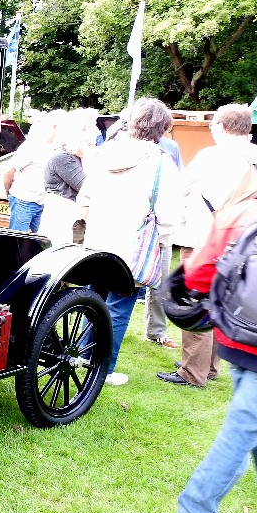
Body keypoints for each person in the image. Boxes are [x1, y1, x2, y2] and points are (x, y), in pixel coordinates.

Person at [172, 185, 257, 513]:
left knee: (251, 417)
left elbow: (197, 274)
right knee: (241, 430)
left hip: (234, 335)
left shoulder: (246, 211)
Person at [157, 103, 257, 387]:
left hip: (206, 238)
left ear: (221, 127)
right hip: (244, 243)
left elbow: (179, 186)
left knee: (194, 300)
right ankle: (209, 365)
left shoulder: (212, 155)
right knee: (225, 301)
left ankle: (192, 371)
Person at [76, 97, 183, 386]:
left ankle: (82, 356)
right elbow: (169, 211)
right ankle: (104, 368)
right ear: (162, 128)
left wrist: (87, 226)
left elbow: (84, 198)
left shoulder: (104, 153)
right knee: (119, 308)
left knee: (93, 300)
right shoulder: (161, 162)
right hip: (132, 246)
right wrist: (165, 240)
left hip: (98, 240)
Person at [143, 124, 185, 349]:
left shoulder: (170, 149)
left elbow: (177, 185)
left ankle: (156, 331)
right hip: (140, 226)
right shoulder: (120, 146)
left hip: (159, 227)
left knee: (160, 282)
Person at [37, 108, 92, 245]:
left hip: (70, 219)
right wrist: (86, 155)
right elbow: (88, 188)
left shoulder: (76, 156)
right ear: (81, 131)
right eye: (93, 126)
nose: (97, 130)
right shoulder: (63, 157)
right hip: (62, 220)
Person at [4, 109, 62, 233]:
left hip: (42, 203)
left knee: (41, 242)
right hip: (23, 201)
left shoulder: (56, 149)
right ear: (54, 127)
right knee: (16, 241)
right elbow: (9, 172)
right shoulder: (32, 146)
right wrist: (9, 193)